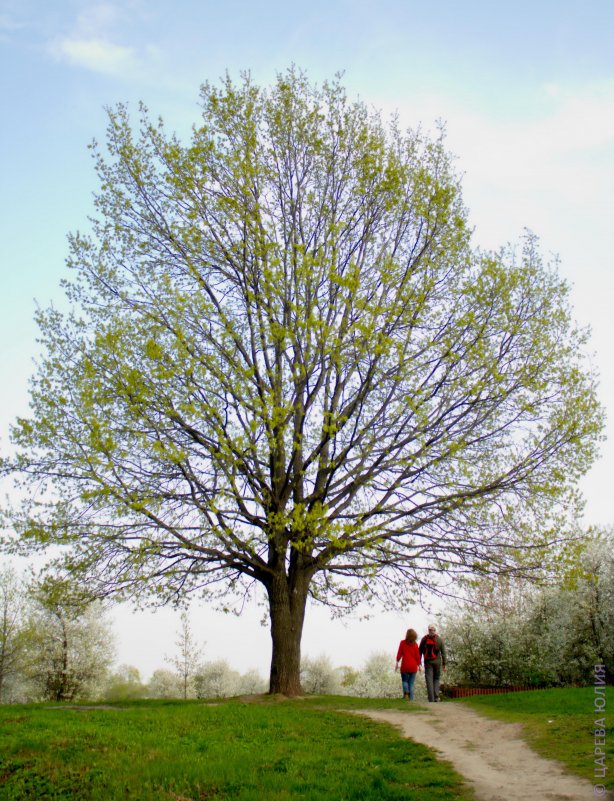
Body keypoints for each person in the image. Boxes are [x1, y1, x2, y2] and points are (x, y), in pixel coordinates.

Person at [419, 624, 447, 702]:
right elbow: (443, 652)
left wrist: (419, 663)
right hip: (437, 661)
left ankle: (431, 698)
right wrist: (444, 664)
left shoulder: (424, 639)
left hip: (428, 662)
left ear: (428, 630)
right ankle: (436, 697)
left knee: (429, 680)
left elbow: (420, 651)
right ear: (435, 630)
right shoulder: (439, 639)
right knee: (436, 678)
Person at [395, 628, 422, 700]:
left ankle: (406, 693)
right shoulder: (415, 645)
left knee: (405, 681)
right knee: (411, 684)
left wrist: (397, 662)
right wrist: (419, 666)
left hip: (405, 666)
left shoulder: (402, 643)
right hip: (413, 667)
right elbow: (417, 656)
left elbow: (399, 653)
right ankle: (411, 699)